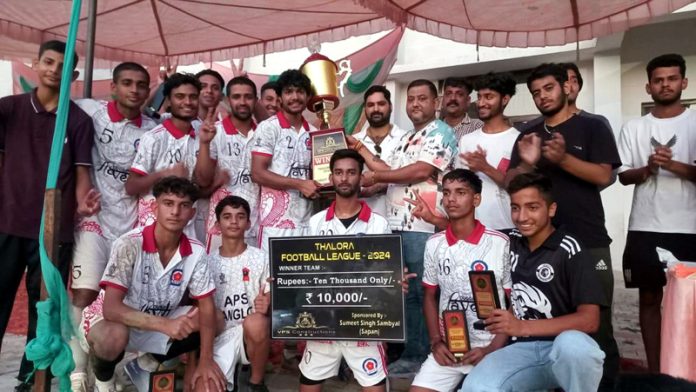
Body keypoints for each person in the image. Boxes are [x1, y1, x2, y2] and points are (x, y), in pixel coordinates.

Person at [504, 63, 621, 389]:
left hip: (587, 236)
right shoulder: (528, 132)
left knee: (597, 325)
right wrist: (527, 162)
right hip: (540, 245)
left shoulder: (593, 125)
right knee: (540, 315)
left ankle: (605, 385)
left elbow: (604, 176)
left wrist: (563, 159)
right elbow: (510, 183)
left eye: (548, 89)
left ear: (566, 87)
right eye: (536, 92)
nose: (542, 97)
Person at [0, 40, 98, 391]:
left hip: (54, 232)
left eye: (62, 65)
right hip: (7, 223)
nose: (54, 70)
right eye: (48, 61)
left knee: (45, 312)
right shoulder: (9, 109)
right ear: (35, 63)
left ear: (72, 74)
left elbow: (82, 173)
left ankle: (30, 378)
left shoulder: (78, 120)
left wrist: (84, 202)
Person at [350, 79, 458, 376]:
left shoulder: (441, 131)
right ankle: (414, 353)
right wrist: (358, 147)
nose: (415, 104)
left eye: (422, 98)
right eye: (411, 99)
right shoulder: (408, 137)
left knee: (425, 293)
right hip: (397, 224)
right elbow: (385, 172)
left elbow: (421, 170)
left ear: (435, 103)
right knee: (407, 293)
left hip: (424, 226)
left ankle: (423, 355)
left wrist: (375, 178)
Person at [461, 173, 606, 392]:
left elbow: (590, 320)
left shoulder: (570, 249)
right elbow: (471, 235)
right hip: (522, 351)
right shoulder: (509, 242)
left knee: (575, 348)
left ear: (551, 209)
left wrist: (521, 326)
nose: (522, 217)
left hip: (562, 351)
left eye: (532, 207)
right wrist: (435, 220)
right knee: (476, 387)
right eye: (515, 207)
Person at [79, 177, 225, 392]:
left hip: (157, 321)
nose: (175, 212)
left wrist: (205, 360)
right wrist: (165, 325)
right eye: (168, 203)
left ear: (192, 214)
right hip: (112, 322)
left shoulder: (196, 251)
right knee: (112, 338)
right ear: (155, 207)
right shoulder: (129, 243)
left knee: (216, 319)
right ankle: (105, 380)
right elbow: (111, 309)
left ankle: (143, 364)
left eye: (183, 205)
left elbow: (206, 305)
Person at [69, 61, 157, 391]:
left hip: (130, 227)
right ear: (114, 87)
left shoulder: (152, 130)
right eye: (127, 83)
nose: (134, 90)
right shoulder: (90, 111)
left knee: (121, 302)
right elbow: (56, 103)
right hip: (93, 219)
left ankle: (107, 366)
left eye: (141, 84)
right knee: (84, 292)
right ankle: (77, 368)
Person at [617, 53, 696, 373]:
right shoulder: (635, 127)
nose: (665, 85)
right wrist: (648, 168)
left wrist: (671, 165)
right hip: (645, 224)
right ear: (648, 87)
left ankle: (687, 368)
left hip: (689, 226)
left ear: (684, 83)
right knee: (648, 299)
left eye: (672, 78)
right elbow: (622, 175)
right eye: (658, 80)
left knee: (690, 302)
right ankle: (655, 370)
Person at [410, 169, 510, 392]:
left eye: (460, 192)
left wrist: (492, 348)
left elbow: (513, 304)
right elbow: (429, 296)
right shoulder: (434, 243)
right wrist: (436, 342)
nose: (451, 199)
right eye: (446, 193)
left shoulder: (500, 243)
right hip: (450, 347)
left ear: (476, 199)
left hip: (491, 348)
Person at [299, 149, 390, 391]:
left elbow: (385, 272)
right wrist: (287, 280)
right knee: (308, 384)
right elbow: (306, 269)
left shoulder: (378, 223)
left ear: (361, 178)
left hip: (364, 321)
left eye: (351, 172)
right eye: (338, 173)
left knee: (374, 386)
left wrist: (394, 282)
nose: (344, 178)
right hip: (323, 320)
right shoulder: (316, 222)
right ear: (331, 177)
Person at [126, 73, 217, 240]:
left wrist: (204, 143)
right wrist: (163, 174)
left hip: (188, 228)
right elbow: (131, 187)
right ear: (168, 101)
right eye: (180, 97)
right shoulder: (154, 138)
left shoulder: (203, 132)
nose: (188, 102)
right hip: (153, 228)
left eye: (193, 97)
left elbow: (203, 182)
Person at [250, 69, 319, 254]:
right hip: (275, 225)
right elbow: (257, 173)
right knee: (273, 281)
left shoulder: (314, 132)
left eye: (300, 91)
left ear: (308, 96)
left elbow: (318, 175)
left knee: (303, 280)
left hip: (306, 222)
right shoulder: (268, 128)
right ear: (280, 98)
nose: (295, 97)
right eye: (289, 92)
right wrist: (299, 184)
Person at [207, 195, 270, 391]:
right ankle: (230, 372)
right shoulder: (206, 262)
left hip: (248, 333)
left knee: (257, 322)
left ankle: (256, 382)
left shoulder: (261, 257)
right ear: (217, 224)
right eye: (227, 217)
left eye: (240, 216)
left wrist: (268, 301)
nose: (234, 222)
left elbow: (270, 294)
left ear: (249, 223)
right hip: (218, 334)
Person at [455, 72, 519, 232]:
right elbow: (458, 187)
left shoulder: (518, 139)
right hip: (473, 228)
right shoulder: (467, 140)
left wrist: (484, 167)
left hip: (509, 227)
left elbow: (519, 187)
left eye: (489, 97)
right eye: (479, 96)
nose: (481, 103)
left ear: (505, 99)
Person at [206, 76, 260, 252]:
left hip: (256, 226)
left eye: (248, 97)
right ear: (228, 100)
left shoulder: (264, 133)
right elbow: (201, 180)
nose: (243, 102)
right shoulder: (215, 132)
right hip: (220, 228)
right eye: (237, 97)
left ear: (256, 100)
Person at [352, 85, 407, 216]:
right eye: (370, 105)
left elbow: (410, 176)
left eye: (381, 104)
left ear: (391, 106)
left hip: (398, 219)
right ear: (365, 109)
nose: (376, 109)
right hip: (361, 220)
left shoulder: (406, 138)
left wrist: (379, 185)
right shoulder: (352, 142)